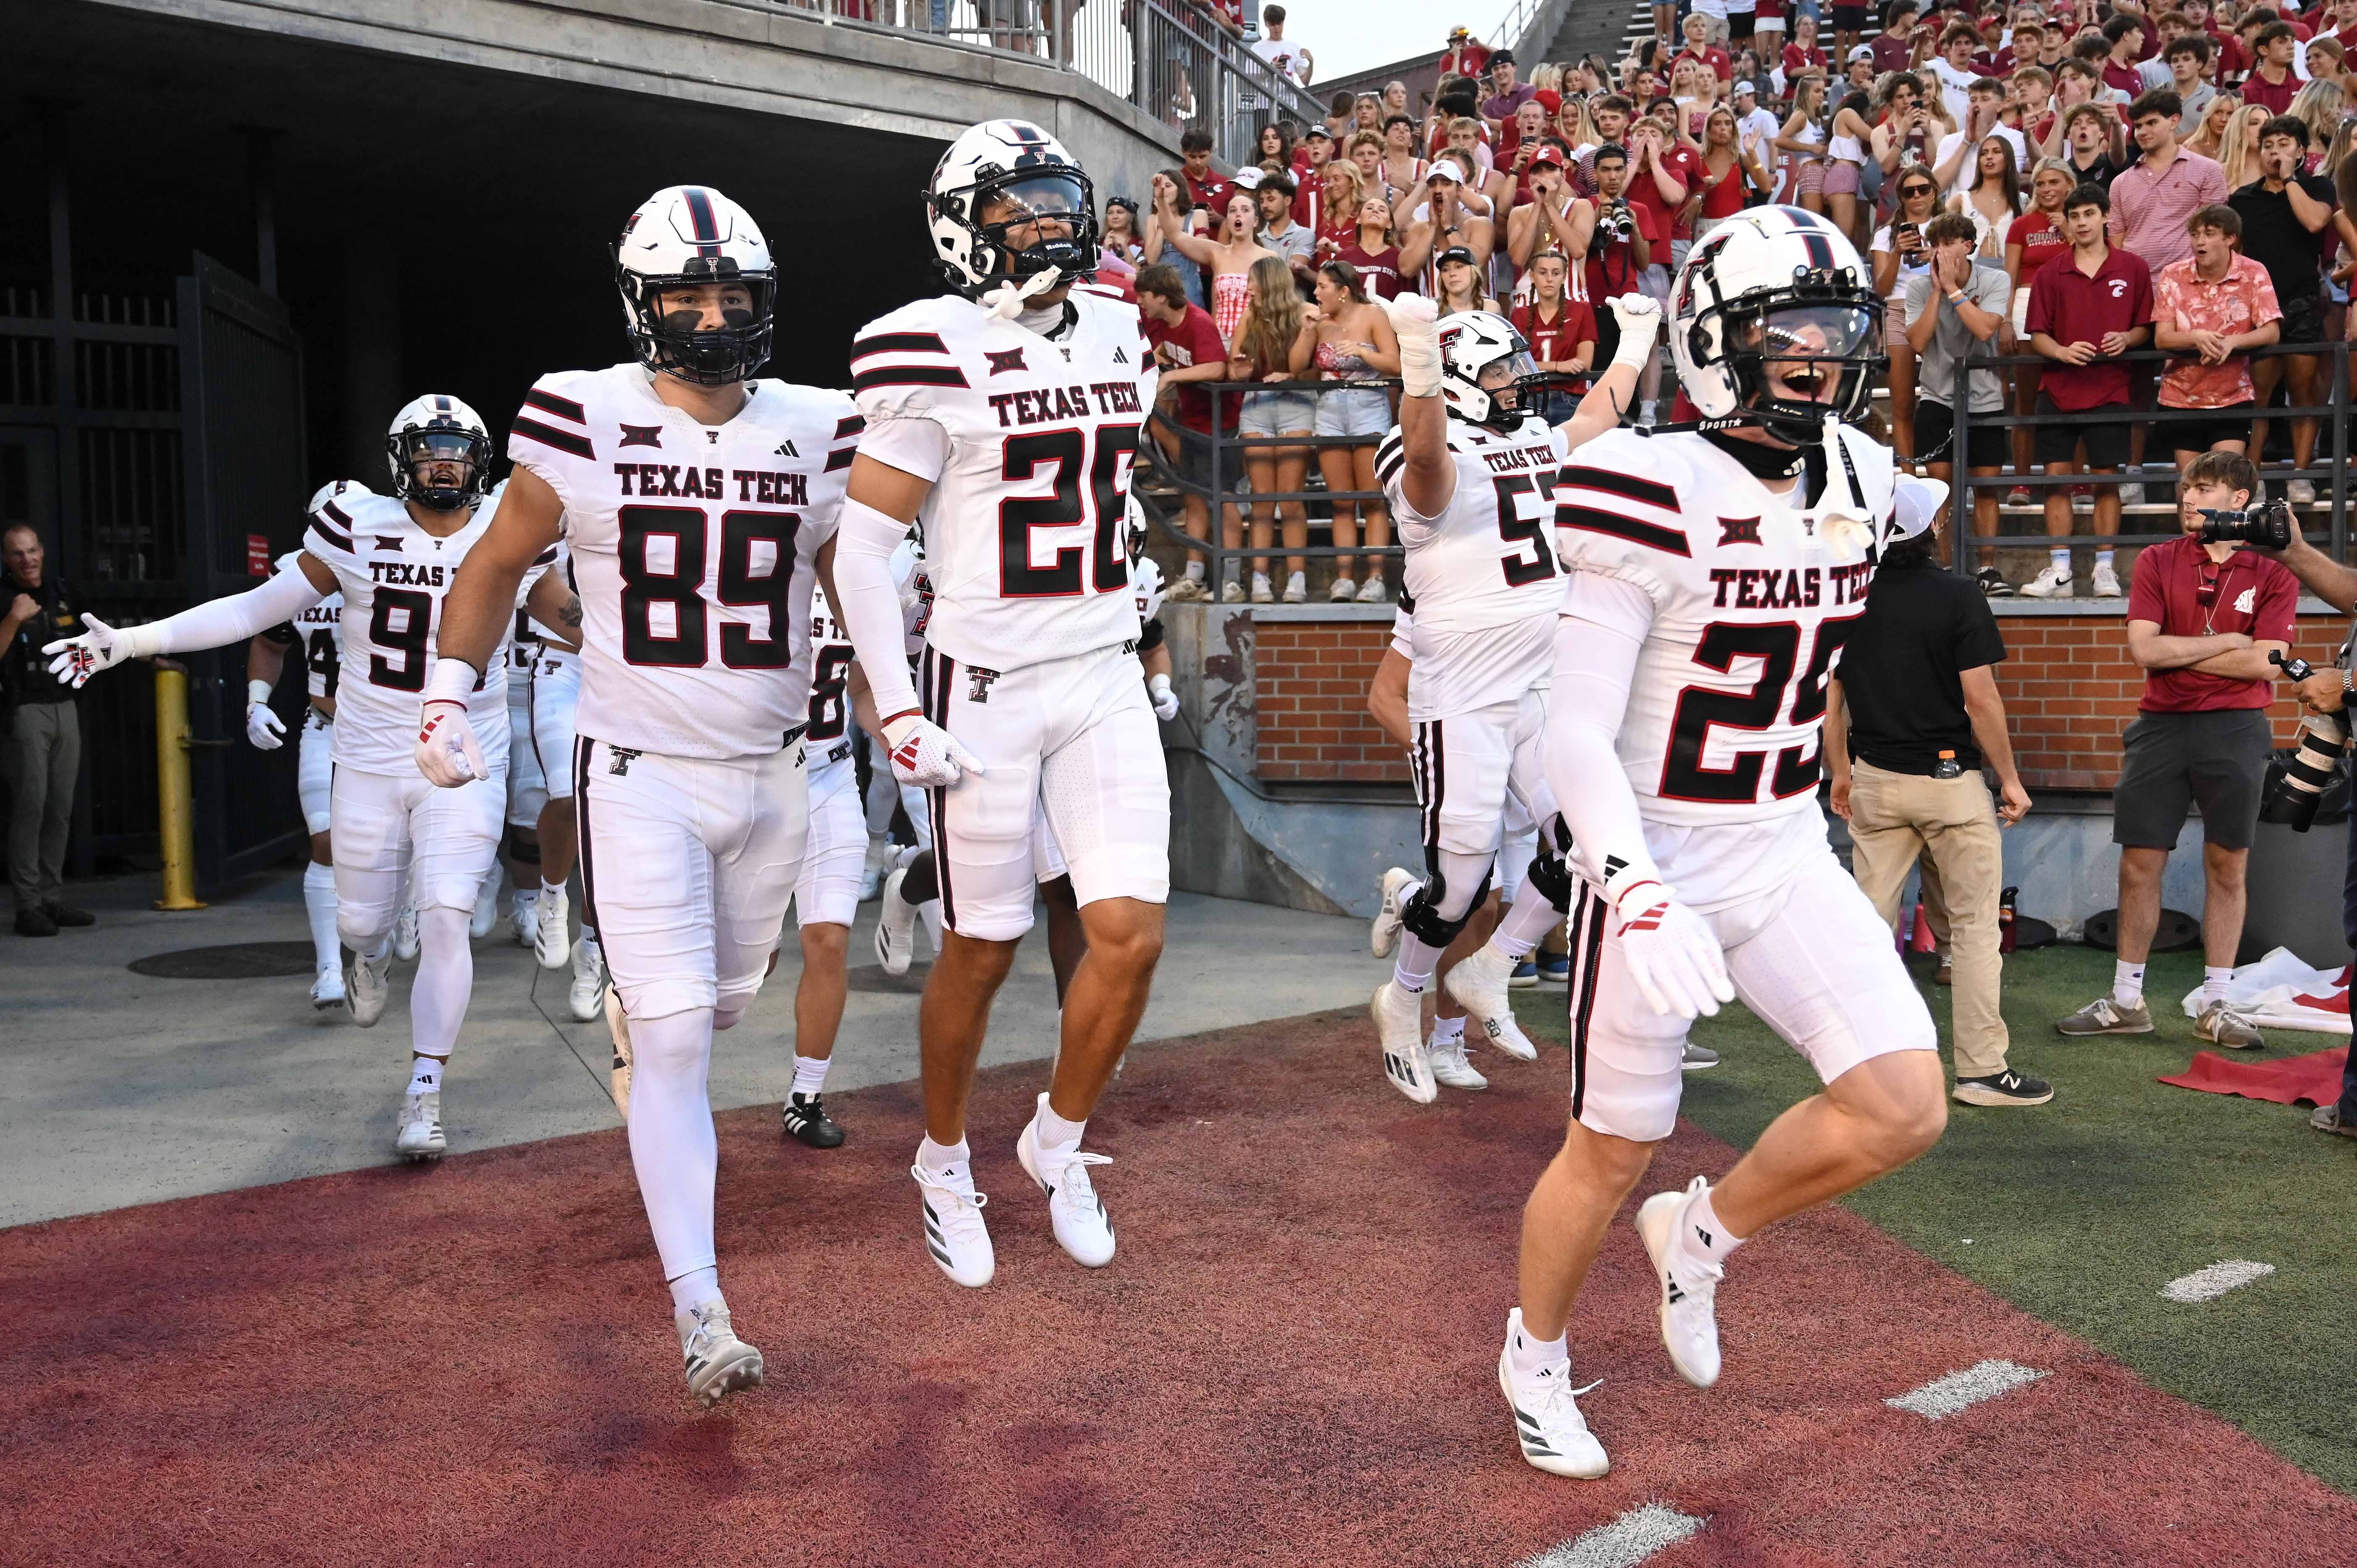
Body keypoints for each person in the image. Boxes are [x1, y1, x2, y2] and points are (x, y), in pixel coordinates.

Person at [1501, 206, 1944, 1480]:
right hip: (1657, 852)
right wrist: (1628, 882)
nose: (1818, 357)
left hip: (1783, 838)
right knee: (1609, 1144)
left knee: (1904, 1106)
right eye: (1788, 331)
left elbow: (1895, 521)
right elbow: (1573, 726)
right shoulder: (1646, 483)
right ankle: (1533, 1352)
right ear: (1716, 339)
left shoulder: (1863, 474)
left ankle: (1701, 1236)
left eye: (1838, 331)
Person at [425, 183, 853, 1408]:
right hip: (635, 771)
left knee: (719, 1011)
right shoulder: (580, 412)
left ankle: (651, 1011)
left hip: (773, 774)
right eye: (688, 296)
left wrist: (916, 699)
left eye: (734, 296)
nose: (714, 317)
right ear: (641, 304)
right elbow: (499, 562)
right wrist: (448, 697)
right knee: (671, 1033)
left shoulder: (819, 426)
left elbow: (857, 583)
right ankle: (701, 1306)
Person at [49, 395, 575, 1162]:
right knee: (363, 923)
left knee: (446, 913)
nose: (443, 465)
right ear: (400, 461)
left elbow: (575, 615)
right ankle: (364, 957)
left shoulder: (506, 526)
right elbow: (257, 609)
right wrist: (133, 641)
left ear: (481, 461)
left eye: (456, 452)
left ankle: (426, 1089)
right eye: (428, 451)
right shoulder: (359, 524)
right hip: (365, 756)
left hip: (463, 755)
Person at [831, 121, 1168, 1297]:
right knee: (983, 947)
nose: (1045, 225)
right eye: (1016, 208)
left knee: (1131, 935)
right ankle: (940, 1160)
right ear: (960, 228)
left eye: (1055, 200)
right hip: (985, 688)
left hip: (1102, 668)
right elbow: (863, 551)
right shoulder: (929, 348)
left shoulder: (1122, 329)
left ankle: (1056, 1140)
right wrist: (894, 707)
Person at [1367, 291, 1664, 1103]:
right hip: (1460, 693)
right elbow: (1429, 477)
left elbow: (1594, 419)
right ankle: (1402, 995)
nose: (1515, 384)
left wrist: (1633, 340)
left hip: (1540, 679)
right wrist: (1420, 361)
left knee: (1588, 841)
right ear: (1457, 379)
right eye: (1498, 371)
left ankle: (1491, 970)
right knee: (1459, 888)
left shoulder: (1529, 437)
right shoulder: (1416, 444)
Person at [2054, 450, 2292, 1050]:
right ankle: (2127, 999)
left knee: (2228, 864)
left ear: (2240, 500)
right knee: (2139, 862)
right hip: (2160, 725)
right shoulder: (2159, 558)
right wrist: (2229, 644)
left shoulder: (2274, 572)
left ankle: (2216, 1002)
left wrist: (2203, 648)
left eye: (2204, 488)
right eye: (2187, 487)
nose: (2189, 497)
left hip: (2238, 727)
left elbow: (2269, 659)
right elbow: (2144, 651)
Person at [1826, 481, 2047, 1107]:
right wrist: (2009, 778)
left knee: (1868, 927)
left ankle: (1854, 1065)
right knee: (1976, 932)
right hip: (1950, 786)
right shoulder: (1958, 596)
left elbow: (1830, 696)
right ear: (1928, 531)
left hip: (1874, 780)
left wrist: (1839, 769)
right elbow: (1981, 699)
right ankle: (1980, 1072)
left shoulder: (1847, 596)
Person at [243, 496, 353, 1004]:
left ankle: (403, 915)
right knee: (326, 843)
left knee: (403, 843)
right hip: (325, 724)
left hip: (389, 729)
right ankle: (329, 967)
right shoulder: (294, 573)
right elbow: (269, 640)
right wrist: (256, 701)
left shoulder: (395, 567)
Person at [2022, 182, 2154, 599]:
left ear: (2104, 217)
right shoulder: (2049, 272)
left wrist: (2128, 340)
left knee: (2105, 484)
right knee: (2055, 482)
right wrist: (2060, 351)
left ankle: (2104, 569)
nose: (2081, 222)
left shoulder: (2133, 267)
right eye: (2074, 216)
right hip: (2058, 389)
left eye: (2088, 215)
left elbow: (2145, 326)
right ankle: (2059, 570)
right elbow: (2037, 335)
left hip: (2111, 388)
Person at [2229, 115, 2347, 505]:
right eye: (2268, 145)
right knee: (2259, 395)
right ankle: (2255, 475)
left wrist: (2291, 180)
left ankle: (2301, 475)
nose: (2274, 151)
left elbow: (2315, 223)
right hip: (2258, 307)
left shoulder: (2318, 186)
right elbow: (2237, 254)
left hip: (2301, 302)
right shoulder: (2243, 198)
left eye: (2283, 143)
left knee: (2303, 391)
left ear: (2300, 150)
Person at [1907, 213, 2012, 585]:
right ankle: (1949, 567)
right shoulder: (1920, 289)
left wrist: (1954, 291)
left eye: (1950, 243)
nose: (1941, 251)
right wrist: (1938, 291)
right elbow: (1918, 343)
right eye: (1937, 243)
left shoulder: (1996, 279)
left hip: (1984, 397)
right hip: (1938, 395)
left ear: (1968, 247)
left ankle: (1987, 567)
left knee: (1986, 486)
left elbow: (1986, 328)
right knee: (1940, 483)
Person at [1, 524, 92, 936]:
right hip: (24, 710)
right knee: (31, 804)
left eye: (33, 550)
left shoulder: (62, 591)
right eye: (18, 553)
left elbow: (96, 637)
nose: (28, 559)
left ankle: (52, 899)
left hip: (65, 705)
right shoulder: (5, 599)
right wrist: (13, 618)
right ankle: (28, 905)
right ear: (7, 559)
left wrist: (154, 657)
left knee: (60, 805)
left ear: (43, 550)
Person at [2154, 203, 2282, 466]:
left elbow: (2271, 331)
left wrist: (2235, 342)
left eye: (2210, 234)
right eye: (2195, 234)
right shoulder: (2173, 275)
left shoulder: (2253, 272)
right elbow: (2162, 338)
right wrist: (2196, 338)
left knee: (2224, 480)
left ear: (2230, 239)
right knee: (2190, 488)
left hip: (2233, 394)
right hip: (2181, 397)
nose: (2200, 242)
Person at [1137, 262, 1231, 603]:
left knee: (1223, 500)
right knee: (1193, 496)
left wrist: (1172, 377)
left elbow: (1218, 367)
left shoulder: (1198, 321)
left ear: (1162, 296)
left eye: (1145, 296)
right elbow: (1165, 352)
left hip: (1220, 424)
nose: (1141, 302)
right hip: (1193, 422)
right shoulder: (1165, 324)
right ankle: (1195, 576)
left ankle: (1231, 578)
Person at [1307, 261, 1400, 603]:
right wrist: (1306, 331)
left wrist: (1362, 352)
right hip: (1329, 410)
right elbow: (1295, 365)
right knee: (1341, 501)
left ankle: (1375, 577)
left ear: (1343, 291)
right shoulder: (1318, 321)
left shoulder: (1374, 315)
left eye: (1322, 287)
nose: (1315, 293)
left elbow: (1396, 363)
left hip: (1368, 408)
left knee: (1373, 499)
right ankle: (1344, 578)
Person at [1228, 255, 1316, 603]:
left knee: (1291, 501)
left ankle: (1298, 579)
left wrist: (1291, 375)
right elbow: (1234, 369)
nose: (1248, 288)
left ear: (1270, 283)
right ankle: (1260, 579)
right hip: (1257, 406)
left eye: (1253, 281)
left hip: (1297, 405)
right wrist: (1241, 368)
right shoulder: (1250, 315)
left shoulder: (1304, 312)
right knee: (1262, 502)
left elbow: (1307, 367)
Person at [2003, 158, 2077, 505]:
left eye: (2054, 183)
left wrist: (2068, 230)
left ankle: (2076, 480)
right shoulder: (2022, 224)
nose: (2047, 190)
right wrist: (2004, 320)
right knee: (2026, 399)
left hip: (2072, 306)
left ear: (2069, 186)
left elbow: (2094, 259)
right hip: (2026, 305)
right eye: (2041, 184)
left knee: (2076, 395)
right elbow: (2010, 275)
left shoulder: (2080, 221)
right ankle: (2021, 481)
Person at [1872, 167, 1944, 461]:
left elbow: (1964, 277)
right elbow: (1882, 289)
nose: (1917, 196)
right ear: (1901, 198)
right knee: (1902, 403)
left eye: (1923, 189)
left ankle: (1945, 467)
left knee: (1944, 396)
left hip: (1939, 305)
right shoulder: (1887, 235)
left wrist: (1937, 256)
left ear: (1935, 192)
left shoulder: (1947, 229)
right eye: (1909, 191)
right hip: (1900, 307)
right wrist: (1897, 253)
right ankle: (1909, 477)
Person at [1251, 3, 1311, 84]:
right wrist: (1270, 69)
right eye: (1273, 25)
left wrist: (1311, 63)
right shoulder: (1257, 48)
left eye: (1279, 23)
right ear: (1266, 24)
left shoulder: (1294, 47)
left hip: (1288, 96)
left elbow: (1305, 81)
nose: (1277, 28)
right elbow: (1250, 80)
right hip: (1266, 96)